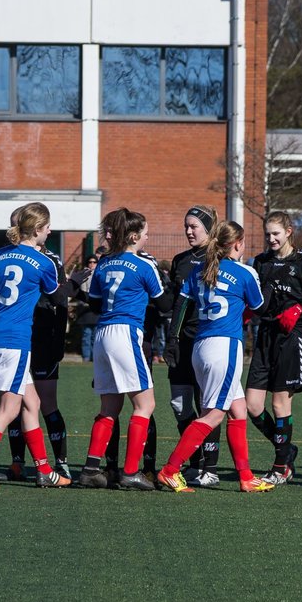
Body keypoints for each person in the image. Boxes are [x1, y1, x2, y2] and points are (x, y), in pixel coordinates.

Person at [0, 203, 70, 489]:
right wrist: (79, 283)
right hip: (16, 339)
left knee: (31, 403)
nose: (49, 232)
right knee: (9, 409)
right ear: (36, 230)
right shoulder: (44, 262)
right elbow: (58, 299)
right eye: (47, 228)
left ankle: (44, 470)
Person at [155, 220, 269, 493]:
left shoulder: (199, 271)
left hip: (200, 346)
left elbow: (182, 304)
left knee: (238, 409)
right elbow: (260, 307)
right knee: (213, 415)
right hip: (224, 346)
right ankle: (170, 470)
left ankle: (245, 477)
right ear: (238, 244)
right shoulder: (244, 272)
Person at [78, 208, 173, 490]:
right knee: (145, 404)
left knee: (110, 405)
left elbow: (94, 304)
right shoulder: (144, 265)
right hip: (126, 332)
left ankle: (91, 469)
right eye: (145, 233)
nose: (147, 237)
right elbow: (165, 304)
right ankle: (131, 472)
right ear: (133, 236)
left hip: (103, 333)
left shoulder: (104, 263)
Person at [245, 210, 302, 484]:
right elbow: (254, 298)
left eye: (276, 233)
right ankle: (286, 449)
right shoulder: (260, 262)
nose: (271, 239)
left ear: (289, 231)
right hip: (266, 335)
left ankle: (281, 466)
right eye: (267, 234)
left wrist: (299, 309)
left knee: (280, 402)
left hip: (292, 337)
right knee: (252, 405)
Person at [164, 205, 224, 486]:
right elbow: (177, 303)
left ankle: (208, 467)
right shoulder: (180, 260)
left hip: (208, 342)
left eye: (194, 226)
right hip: (183, 342)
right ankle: (194, 458)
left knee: (207, 406)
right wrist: (172, 338)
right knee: (179, 404)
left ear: (210, 228)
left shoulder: (220, 259)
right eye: (186, 226)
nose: (188, 231)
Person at [5, 238, 70, 481]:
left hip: (43, 339)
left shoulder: (51, 260)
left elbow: (60, 300)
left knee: (46, 402)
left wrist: (59, 341)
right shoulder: (5, 256)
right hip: (16, 337)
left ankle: (60, 463)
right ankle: (17, 462)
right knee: (15, 402)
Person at [70, 254, 99, 361]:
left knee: (95, 337)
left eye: (94, 262)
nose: (92, 264)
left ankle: (95, 358)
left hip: (96, 310)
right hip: (84, 310)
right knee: (86, 336)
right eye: (90, 262)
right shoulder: (82, 274)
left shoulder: (99, 274)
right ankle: (86, 357)